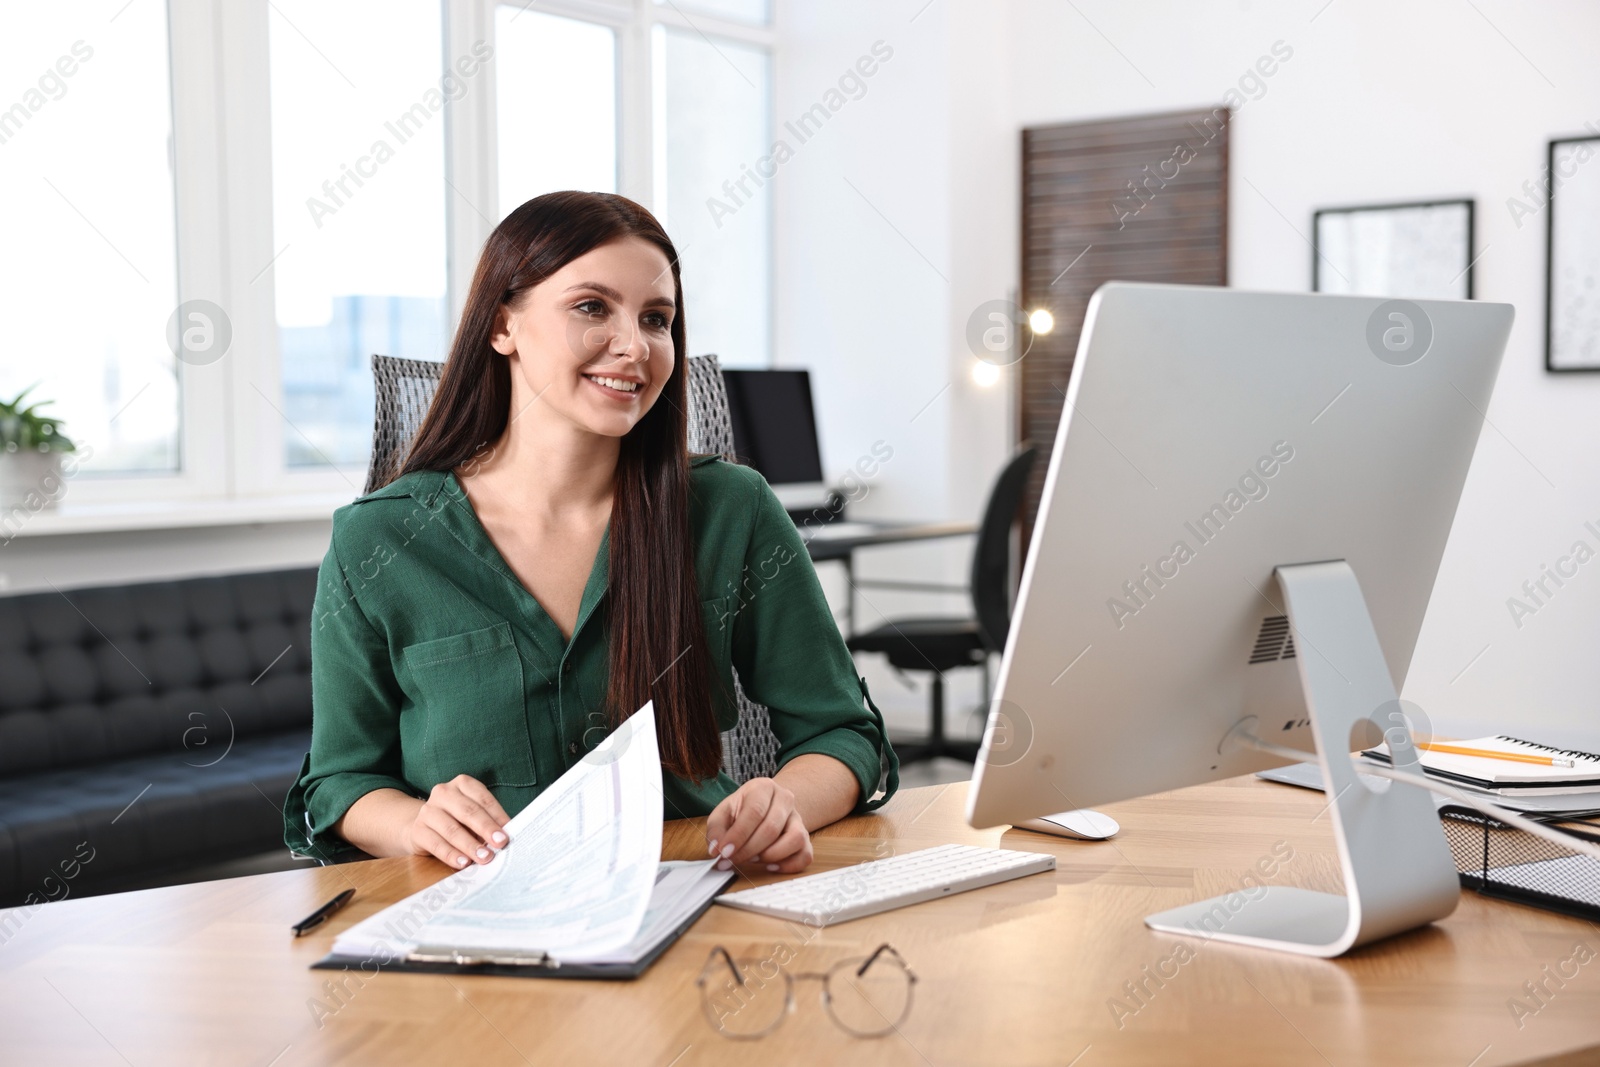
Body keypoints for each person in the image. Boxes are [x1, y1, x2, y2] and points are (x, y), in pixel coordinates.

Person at [282, 191, 897, 876]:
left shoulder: (732, 508)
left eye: (657, 319)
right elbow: (339, 782)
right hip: (475, 926)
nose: (635, 346)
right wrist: (416, 823)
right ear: (501, 324)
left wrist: (782, 802)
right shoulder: (378, 540)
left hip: (694, 905)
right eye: (591, 307)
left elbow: (841, 732)